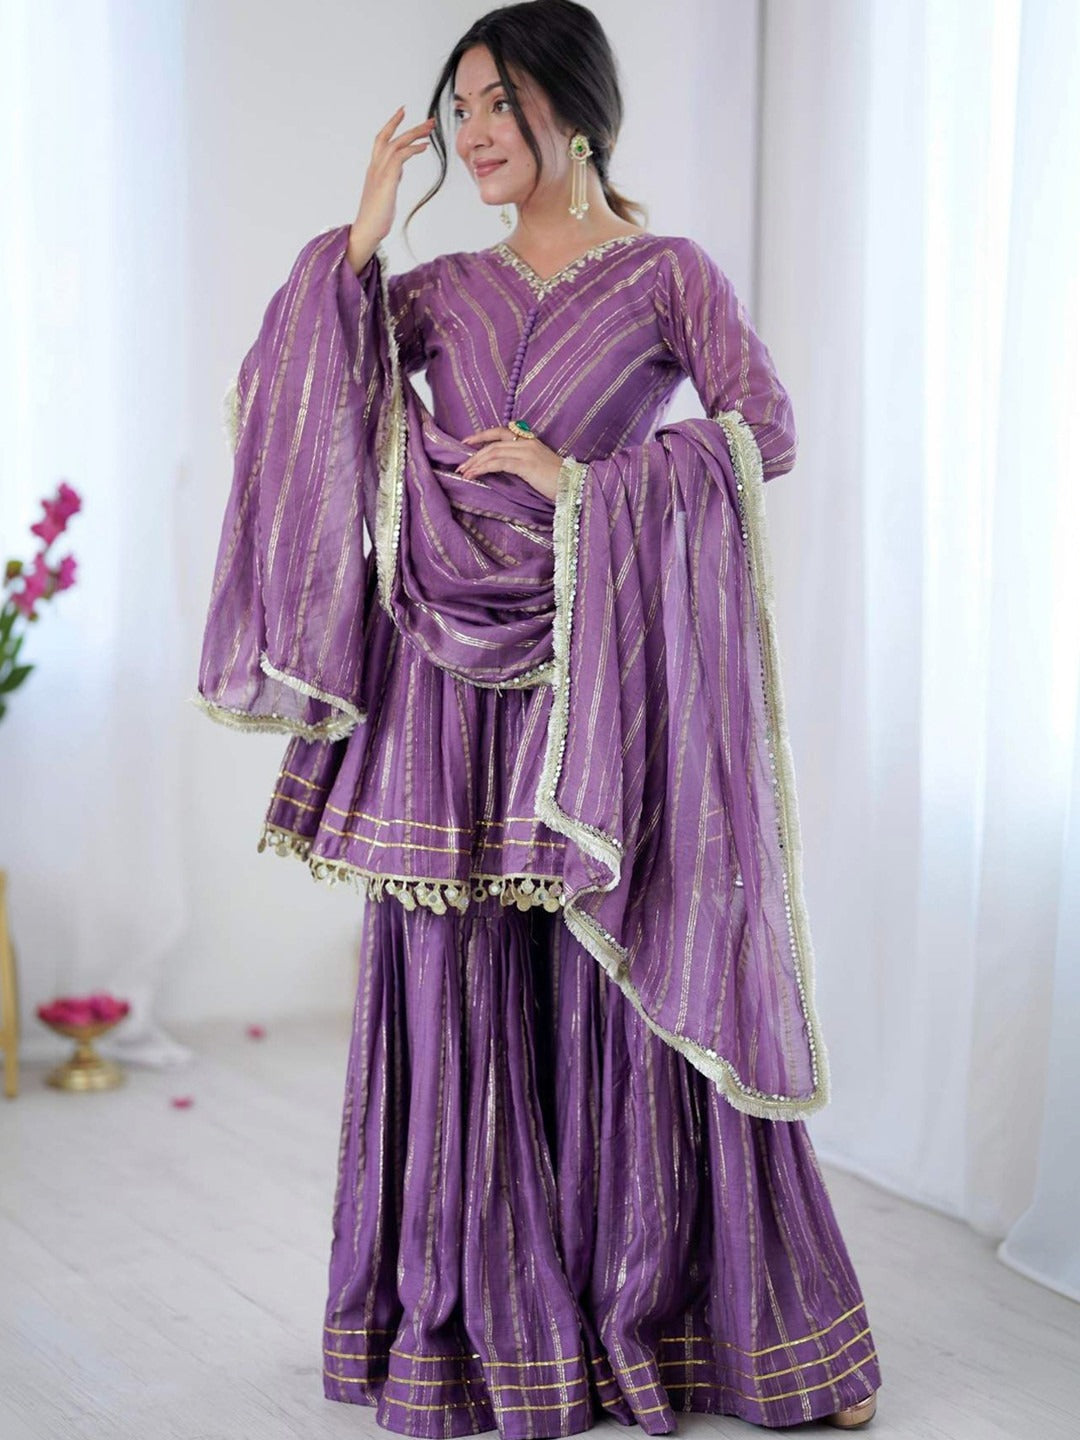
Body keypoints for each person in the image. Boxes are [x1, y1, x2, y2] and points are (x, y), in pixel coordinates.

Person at [195, 1, 882, 1432]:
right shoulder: (443, 285)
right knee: (456, 992)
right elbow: (302, 393)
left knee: (616, 982)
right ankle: (475, 1337)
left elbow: (764, 431)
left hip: (595, 683)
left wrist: (588, 490)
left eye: (497, 101)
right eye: (458, 110)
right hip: (440, 687)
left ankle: (678, 1327)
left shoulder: (667, 275)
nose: (473, 132)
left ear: (574, 105)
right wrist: (359, 240)